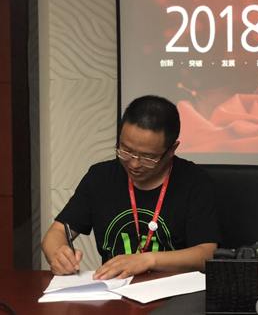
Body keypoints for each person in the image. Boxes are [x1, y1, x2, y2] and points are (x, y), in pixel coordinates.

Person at [42, 95, 221, 280]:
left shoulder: (194, 183)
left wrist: (148, 260)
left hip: (174, 291)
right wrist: (58, 255)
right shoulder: (100, 177)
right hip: (114, 289)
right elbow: (57, 232)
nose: (134, 164)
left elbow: (206, 253)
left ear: (172, 150)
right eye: (126, 150)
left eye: (148, 157)